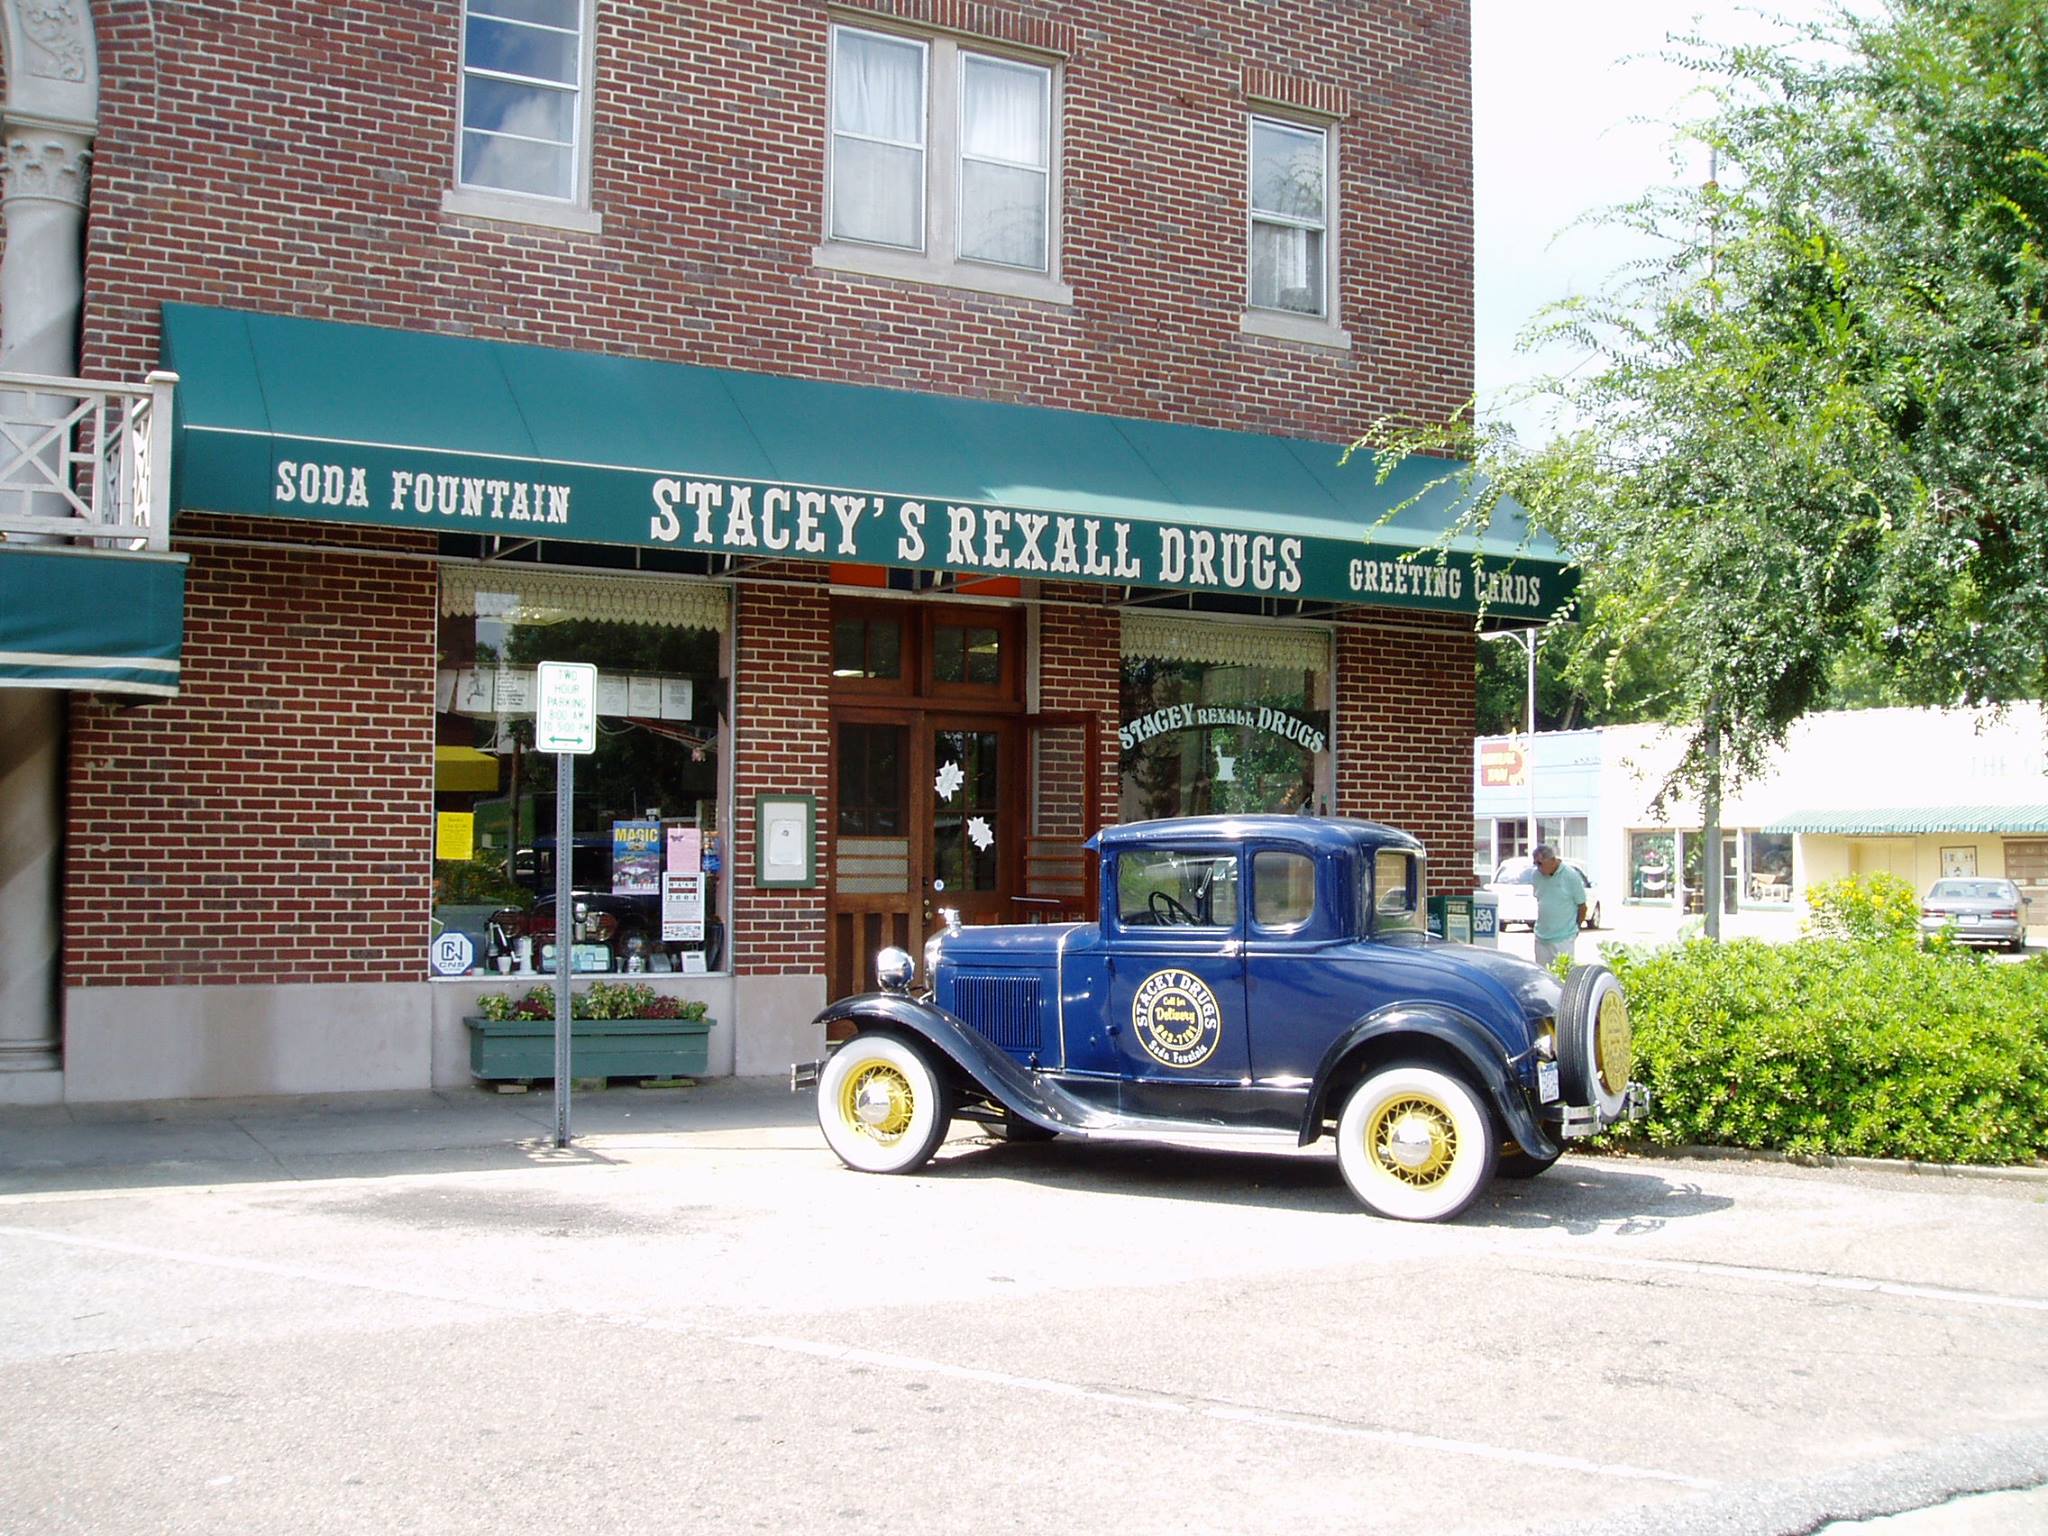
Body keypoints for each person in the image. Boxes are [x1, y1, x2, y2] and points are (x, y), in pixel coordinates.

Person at [1525, 843, 1586, 972]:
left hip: (1564, 937)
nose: (1538, 867)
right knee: (1542, 976)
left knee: (1562, 976)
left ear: (1552, 860)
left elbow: (1582, 906)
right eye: (1535, 863)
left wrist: (1576, 927)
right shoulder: (1536, 876)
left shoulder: (1570, 876)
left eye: (1540, 863)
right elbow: (1541, 899)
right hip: (1542, 935)